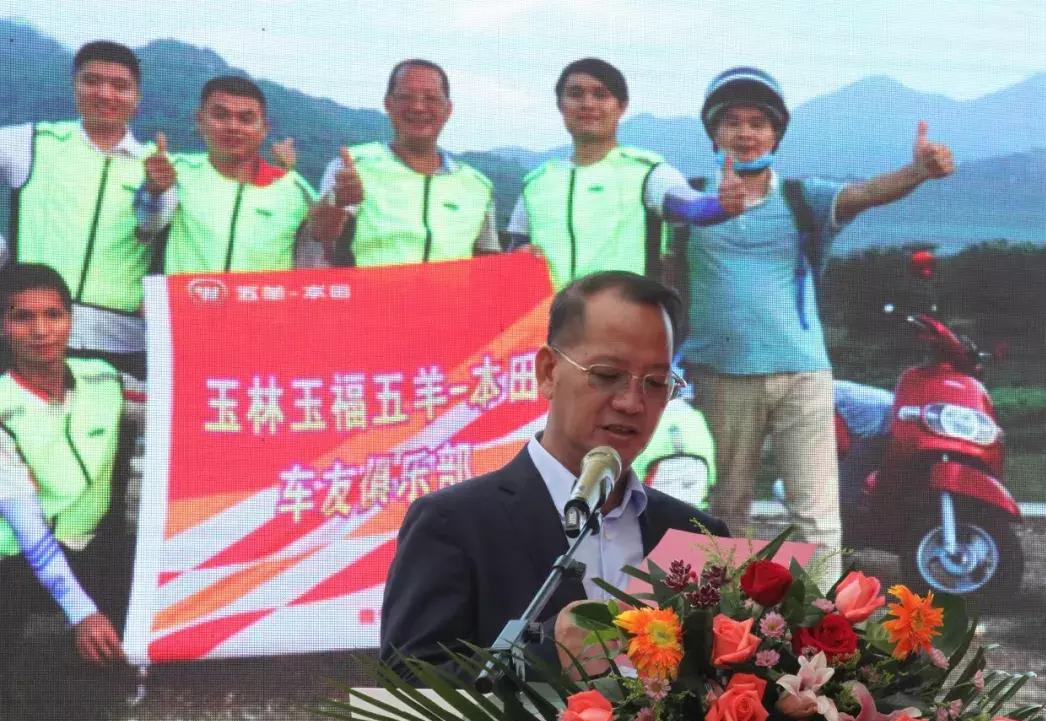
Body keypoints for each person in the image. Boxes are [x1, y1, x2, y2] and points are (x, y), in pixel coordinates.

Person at [678, 67, 954, 587]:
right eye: (732, 122)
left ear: (776, 134)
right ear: (713, 132)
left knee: (817, 516)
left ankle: (819, 638)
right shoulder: (688, 203)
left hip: (804, 377)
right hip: (720, 375)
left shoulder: (802, 199)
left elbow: (867, 193)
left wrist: (917, 171)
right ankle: (718, 630)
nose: (745, 132)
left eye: (759, 122)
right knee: (724, 511)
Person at [380, 271, 728, 675]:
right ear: (548, 371)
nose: (633, 402)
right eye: (607, 375)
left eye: (656, 382)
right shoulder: (454, 524)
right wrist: (546, 659)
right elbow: (407, 689)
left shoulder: (697, 536)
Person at [0, 264, 132, 721]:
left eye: (54, 315)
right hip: (15, 558)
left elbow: (177, 408)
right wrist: (82, 612)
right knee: (37, 709)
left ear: (71, 319)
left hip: (94, 547)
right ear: (2, 325)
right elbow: (28, 529)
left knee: (106, 677)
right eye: (22, 317)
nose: (41, 331)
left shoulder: (103, 378)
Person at [0, 40, 174, 379]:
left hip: (118, 341)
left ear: (137, 98)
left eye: (120, 86)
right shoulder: (31, 141)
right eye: (92, 81)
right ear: (74, 86)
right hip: (27, 331)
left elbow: (153, 226)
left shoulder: (159, 165)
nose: (105, 94)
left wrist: (158, 190)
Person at [507, 58, 741, 289]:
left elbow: (689, 206)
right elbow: (515, 247)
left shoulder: (647, 173)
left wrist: (721, 205)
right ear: (560, 105)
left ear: (621, 106)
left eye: (601, 95)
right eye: (575, 94)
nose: (587, 104)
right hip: (548, 322)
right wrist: (519, 254)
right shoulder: (536, 184)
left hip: (625, 320)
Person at [312, 59, 498, 267]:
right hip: (370, 298)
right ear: (388, 104)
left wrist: (524, 259)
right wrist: (337, 202)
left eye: (431, 99)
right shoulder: (352, 168)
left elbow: (487, 262)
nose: (418, 107)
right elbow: (319, 235)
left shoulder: (478, 186)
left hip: (450, 300)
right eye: (405, 97)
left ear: (448, 109)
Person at [155, 76, 317, 274]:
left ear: (264, 129)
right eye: (221, 115)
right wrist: (153, 192)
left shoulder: (295, 189)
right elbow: (147, 226)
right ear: (200, 120)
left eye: (246, 119)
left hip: (262, 303)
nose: (233, 126)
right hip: (185, 302)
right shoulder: (175, 172)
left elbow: (319, 254)